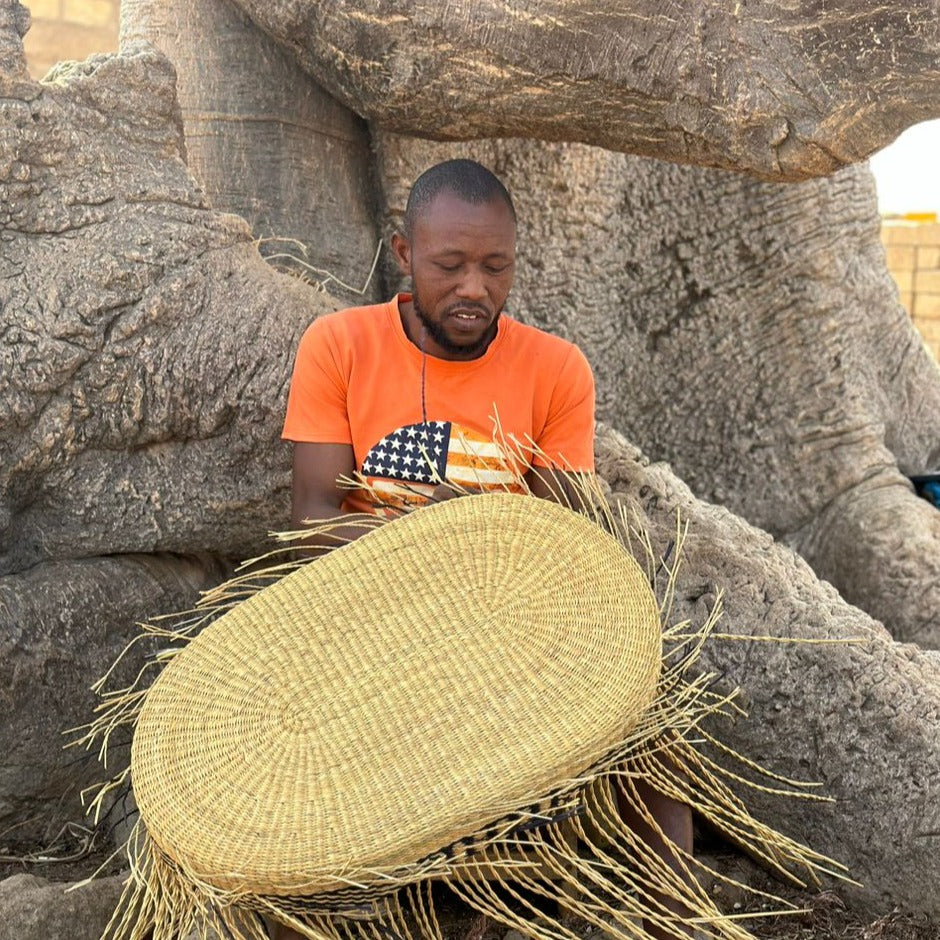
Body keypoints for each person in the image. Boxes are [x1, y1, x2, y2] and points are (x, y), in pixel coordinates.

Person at [280, 159, 694, 940]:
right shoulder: (339, 344)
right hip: (368, 616)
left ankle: (659, 918)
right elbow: (311, 523)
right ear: (404, 255)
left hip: (507, 617)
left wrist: (482, 562)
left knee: (653, 748)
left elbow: (560, 535)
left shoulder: (556, 368)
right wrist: (442, 538)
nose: (474, 288)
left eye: (495, 267)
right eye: (450, 266)